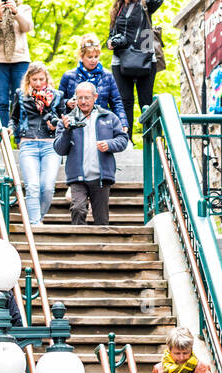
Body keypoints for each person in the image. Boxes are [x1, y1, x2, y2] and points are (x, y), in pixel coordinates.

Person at [53, 81, 130, 226]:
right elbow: (59, 149)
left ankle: (101, 247)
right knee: (78, 209)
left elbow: (123, 140)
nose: (83, 102)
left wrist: (109, 144)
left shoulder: (109, 117)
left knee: (101, 219)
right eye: (79, 98)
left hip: (101, 177)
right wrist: (67, 131)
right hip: (77, 177)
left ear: (95, 97)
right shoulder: (66, 120)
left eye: (87, 97)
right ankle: (78, 244)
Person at [10, 62, 64, 224]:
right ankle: (35, 224)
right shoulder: (20, 94)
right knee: (32, 187)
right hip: (29, 144)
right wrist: (10, 129)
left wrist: (56, 124)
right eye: (34, 80)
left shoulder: (57, 95)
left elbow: (64, 121)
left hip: (51, 145)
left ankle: (37, 218)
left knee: (47, 187)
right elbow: (14, 118)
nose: (38, 83)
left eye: (41, 79)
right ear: (28, 80)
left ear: (46, 78)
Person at [108, 0, 163, 134]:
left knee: (146, 101)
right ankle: (126, 139)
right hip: (121, 59)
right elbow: (113, 33)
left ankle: (152, 139)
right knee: (124, 101)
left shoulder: (145, 3)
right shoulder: (118, 7)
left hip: (145, 57)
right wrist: (111, 42)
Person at [0, 0, 33, 128]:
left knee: (21, 99)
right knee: (1, 101)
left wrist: (16, 12)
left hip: (20, 60)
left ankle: (21, 136)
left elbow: (27, 27)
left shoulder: (24, 8)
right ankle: (3, 136)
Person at [56, 35, 126, 126]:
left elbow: (116, 103)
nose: (93, 60)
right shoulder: (68, 76)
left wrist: (123, 124)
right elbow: (58, 102)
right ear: (82, 56)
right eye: (90, 57)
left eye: (96, 56)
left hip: (102, 122)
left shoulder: (107, 76)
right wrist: (67, 103)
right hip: (75, 122)